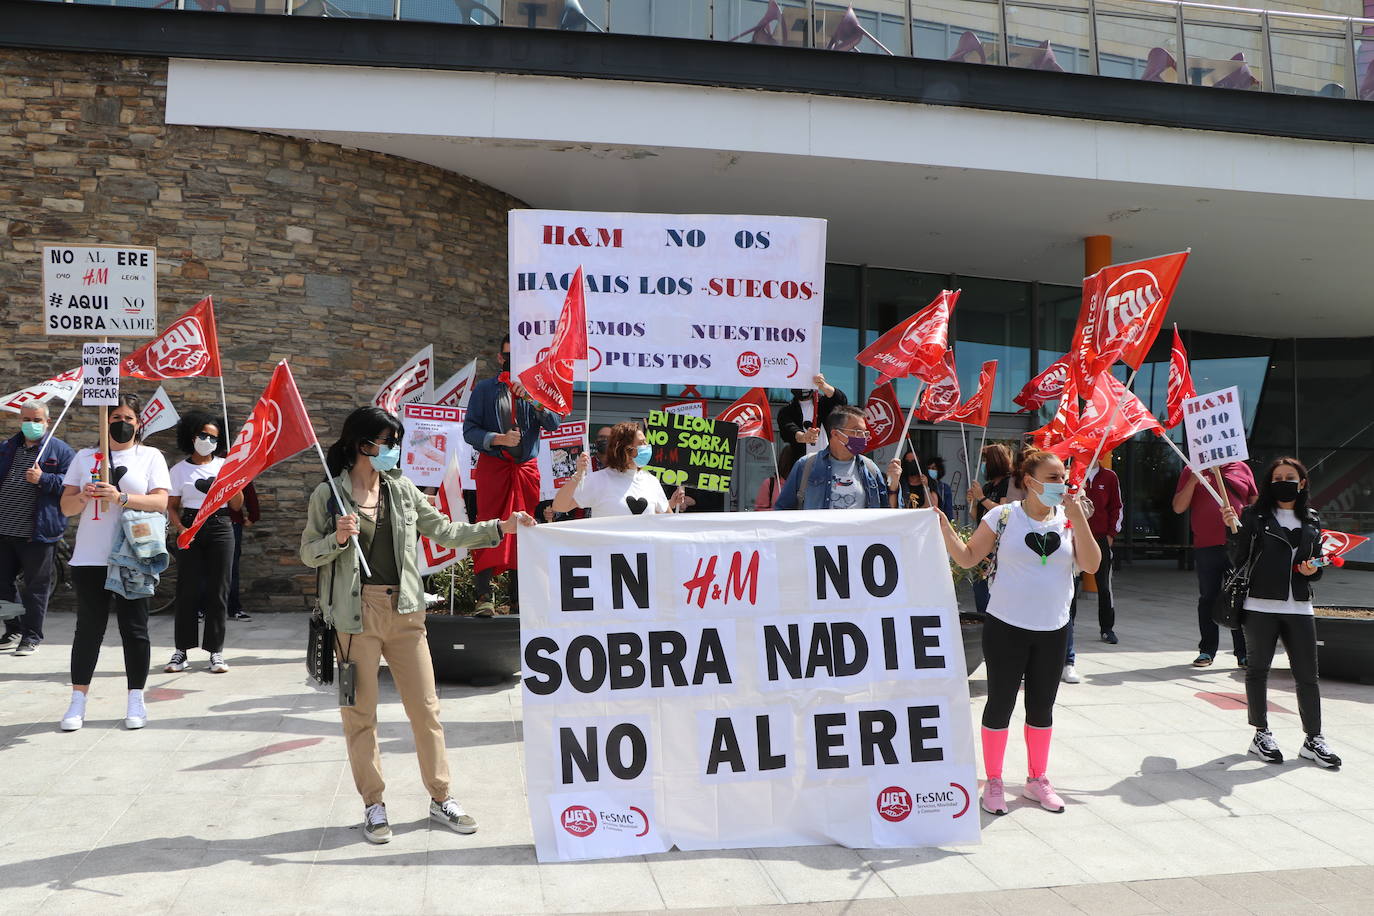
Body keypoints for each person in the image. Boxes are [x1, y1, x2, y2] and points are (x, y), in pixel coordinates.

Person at [301, 406, 535, 844]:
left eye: (396, 442)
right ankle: (373, 805)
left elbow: (446, 531)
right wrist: (335, 537)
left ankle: (440, 796)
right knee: (360, 715)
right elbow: (307, 553)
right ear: (361, 444)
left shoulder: (402, 490)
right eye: (385, 442)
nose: (392, 450)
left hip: (407, 612)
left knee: (426, 710)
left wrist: (501, 527)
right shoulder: (328, 496)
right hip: (355, 617)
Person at [938, 449, 1101, 815]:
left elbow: (1091, 564)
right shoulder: (1003, 515)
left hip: (1054, 628)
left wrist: (1078, 518)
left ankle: (1037, 779)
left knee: (1041, 707)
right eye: (1054, 477)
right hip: (1006, 626)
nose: (1063, 484)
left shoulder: (1070, 519)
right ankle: (993, 781)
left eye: (1064, 477)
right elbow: (967, 557)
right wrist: (944, 528)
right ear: (1030, 481)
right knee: (1000, 703)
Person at [57, 394, 171, 731]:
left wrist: (121, 497)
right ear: (104, 420)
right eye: (115, 416)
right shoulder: (84, 457)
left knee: (134, 630)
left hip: (133, 556)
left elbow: (161, 502)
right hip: (90, 558)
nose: (121, 423)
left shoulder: (150, 456)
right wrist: (83, 495)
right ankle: (77, 701)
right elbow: (66, 508)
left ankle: (136, 698)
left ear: (139, 424)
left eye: (129, 418)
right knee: (88, 630)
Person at [1221, 457, 1340, 768]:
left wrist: (1311, 569)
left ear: (1302, 483)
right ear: (1269, 484)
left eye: (1290, 477)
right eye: (1278, 477)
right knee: (1258, 670)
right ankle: (1261, 734)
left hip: (1300, 605)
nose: (1284, 481)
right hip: (1260, 604)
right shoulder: (1254, 515)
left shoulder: (1312, 519)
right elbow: (1238, 559)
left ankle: (1313, 739)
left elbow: (1316, 568)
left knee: (1308, 676)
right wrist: (1233, 530)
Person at [462, 336, 559, 616]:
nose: (513, 361)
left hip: (525, 470)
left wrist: (532, 396)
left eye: (520, 357)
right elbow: (470, 431)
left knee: (525, 527)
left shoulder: (539, 388)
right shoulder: (484, 390)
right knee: (488, 524)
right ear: (500, 357)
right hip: (494, 468)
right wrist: (498, 439)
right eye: (508, 355)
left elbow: (553, 423)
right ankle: (484, 596)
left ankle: (519, 597)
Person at [164, 410, 242, 675]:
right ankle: (181, 651)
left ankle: (215, 651)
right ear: (191, 434)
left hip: (220, 526)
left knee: (219, 589)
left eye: (213, 437)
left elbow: (236, 505)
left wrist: (236, 482)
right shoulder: (178, 470)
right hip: (190, 526)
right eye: (203, 435)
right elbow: (172, 506)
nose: (207, 440)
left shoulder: (224, 466)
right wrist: (180, 527)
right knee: (187, 589)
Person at [0, 400, 75, 655]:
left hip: (38, 533)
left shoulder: (60, 451)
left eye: (36, 420)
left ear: (47, 422)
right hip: (5, 530)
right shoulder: (9, 447)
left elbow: (71, 484)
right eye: (26, 419)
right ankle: (13, 627)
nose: (30, 424)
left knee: (36, 588)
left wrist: (44, 479)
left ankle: (32, 636)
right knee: (2, 584)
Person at [1173, 460, 1257, 668]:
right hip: (1206, 546)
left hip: (1238, 545)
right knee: (1208, 598)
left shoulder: (1241, 468)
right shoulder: (1191, 469)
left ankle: (1243, 653)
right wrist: (1193, 480)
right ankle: (1207, 651)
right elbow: (1178, 507)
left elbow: (1257, 506)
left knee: (1239, 598)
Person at [1063, 461, 1124, 683]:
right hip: (1073, 536)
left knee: (1104, 585)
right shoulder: (1073, 475)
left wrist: (1110, 535)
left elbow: (1117, 507)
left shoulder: (1109, 476)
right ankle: (1069, 628)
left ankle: (1107, 628)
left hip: (1100, 538)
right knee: (1072, 584)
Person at [773, 405, 901, 510]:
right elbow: (782, 509)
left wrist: (893, 485)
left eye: (865, 433)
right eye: (857, 432)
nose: (863, 437)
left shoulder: (870, 468)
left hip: (860, 540)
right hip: (818, 540)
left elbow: (887, 513)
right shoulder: (806, 465)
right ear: (835, 434)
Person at [552, 421, 690, 517]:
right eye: (642, 443)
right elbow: (560, 506)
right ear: (626, 450)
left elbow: (665, 519)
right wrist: (577, 476)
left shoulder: (651, 481)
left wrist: (672, 503)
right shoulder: (599, 480)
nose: (647, 446)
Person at [968, 443, 1019, 614]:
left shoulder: (1008, 483)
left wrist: (982, 498)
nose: (982, 464)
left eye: (985, 460)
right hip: (984, 544)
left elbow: (1003, 510)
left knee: (991, 590)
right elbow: (978, 516)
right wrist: (974, 502)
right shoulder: (989, 486)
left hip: (999, 545)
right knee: (979, 588)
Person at [777, 374, 848, 469]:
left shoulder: (823, 403)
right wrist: (803, 437)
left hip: (829, 464)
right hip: (803, 467)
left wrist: (823, 385)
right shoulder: (787, 411)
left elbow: (840, 400)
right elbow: (788, 430)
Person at [226, 482, 259, 620]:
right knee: (229, 568)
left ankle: (233, 608)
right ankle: (232, 609)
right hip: (227, 520)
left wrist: (253, 515)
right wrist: (253, 515)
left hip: (230, 521)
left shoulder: (232, 462)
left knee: (230, 567)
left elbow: (245, 482)